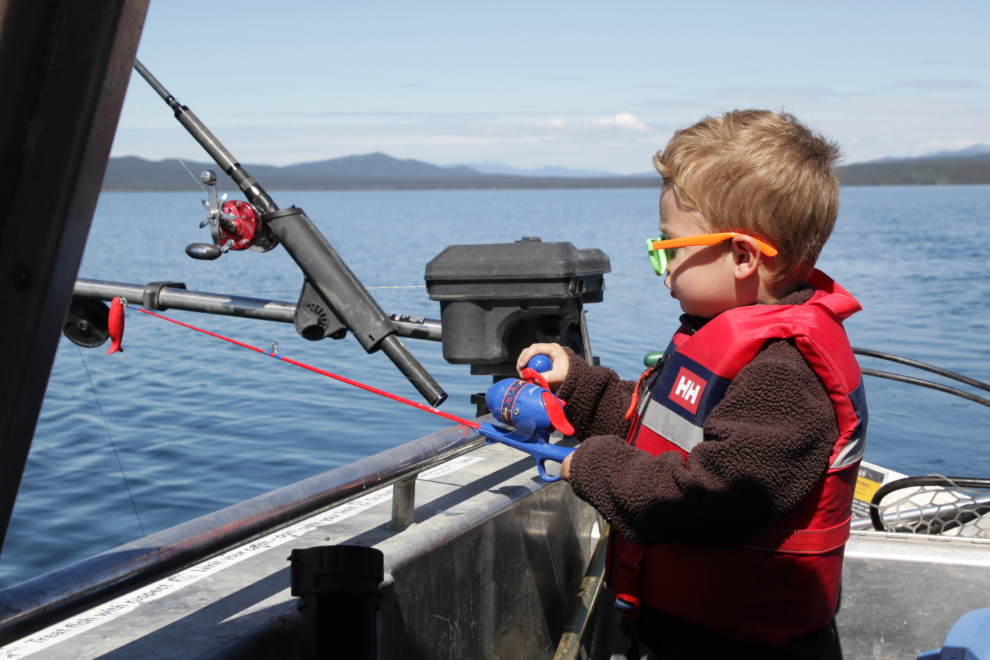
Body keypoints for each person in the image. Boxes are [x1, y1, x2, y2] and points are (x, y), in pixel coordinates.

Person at [517, 110, 867, 660]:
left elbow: (717, 495)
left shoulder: (785, 377)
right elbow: (657, 423)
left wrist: (593, 466)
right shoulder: (720, 337)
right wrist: (580, 388)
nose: (663, 265)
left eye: (670, 247)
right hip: (681, 631)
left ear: (743, 256)